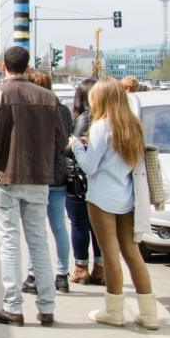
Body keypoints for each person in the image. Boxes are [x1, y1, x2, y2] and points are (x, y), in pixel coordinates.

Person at [0, 46, 65, 328]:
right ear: (28, 67)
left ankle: (13, 307)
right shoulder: (49, 98)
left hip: (5, 177)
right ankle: (47, 307)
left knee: (9, 241)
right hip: (39, 177)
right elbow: (61, 141)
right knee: (38, 241)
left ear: (4, 67)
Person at [70, 77, 158, 330]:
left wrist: (77, 147)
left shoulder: (101, 126)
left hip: (101, 197)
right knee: (132, 253)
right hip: (127, 195)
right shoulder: (133, 125)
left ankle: (113, 310)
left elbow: (89, 166)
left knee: (109, 254)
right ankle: (149, 314)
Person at [21, 70, 72, 295]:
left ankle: (33, 275)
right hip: (58, 173)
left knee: (35, 227)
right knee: (58, 225)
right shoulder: (62, 109)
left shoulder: (32, 110)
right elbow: (65, 140)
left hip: (37, 174)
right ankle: (62, 275)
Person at [66, 78, 105, 285]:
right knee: (97, 225)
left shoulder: (84, 118)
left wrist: (69, 144)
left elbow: (72, 148)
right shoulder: (104, 117)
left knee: (79, 223)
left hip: (79, 179)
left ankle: (81, 268)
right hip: (98, 178)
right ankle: (100, 267)